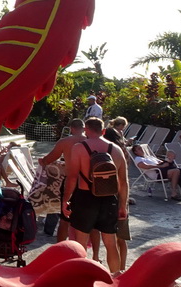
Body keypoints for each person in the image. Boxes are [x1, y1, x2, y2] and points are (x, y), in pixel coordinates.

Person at [62, 117, 128, 274]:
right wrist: (122, 205)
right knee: (111, 244)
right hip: (109, 199)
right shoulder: (116, 149)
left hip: (85, 198)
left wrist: (66, 200)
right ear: (103, 131)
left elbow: (72, 177)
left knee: (81, 243)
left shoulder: (79, 148)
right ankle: (116, 279)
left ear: (86, 130)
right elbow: (123, 182)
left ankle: (81, 280)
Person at [39, 119, 85, 242]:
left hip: (70, 180)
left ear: (71, 128)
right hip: (87, 182)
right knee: (83, 219)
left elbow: (50, 158)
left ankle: (62, 248)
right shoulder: (89, 141)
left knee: (65, 218)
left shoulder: (65, 142)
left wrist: (42, 161)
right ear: (83, 128)